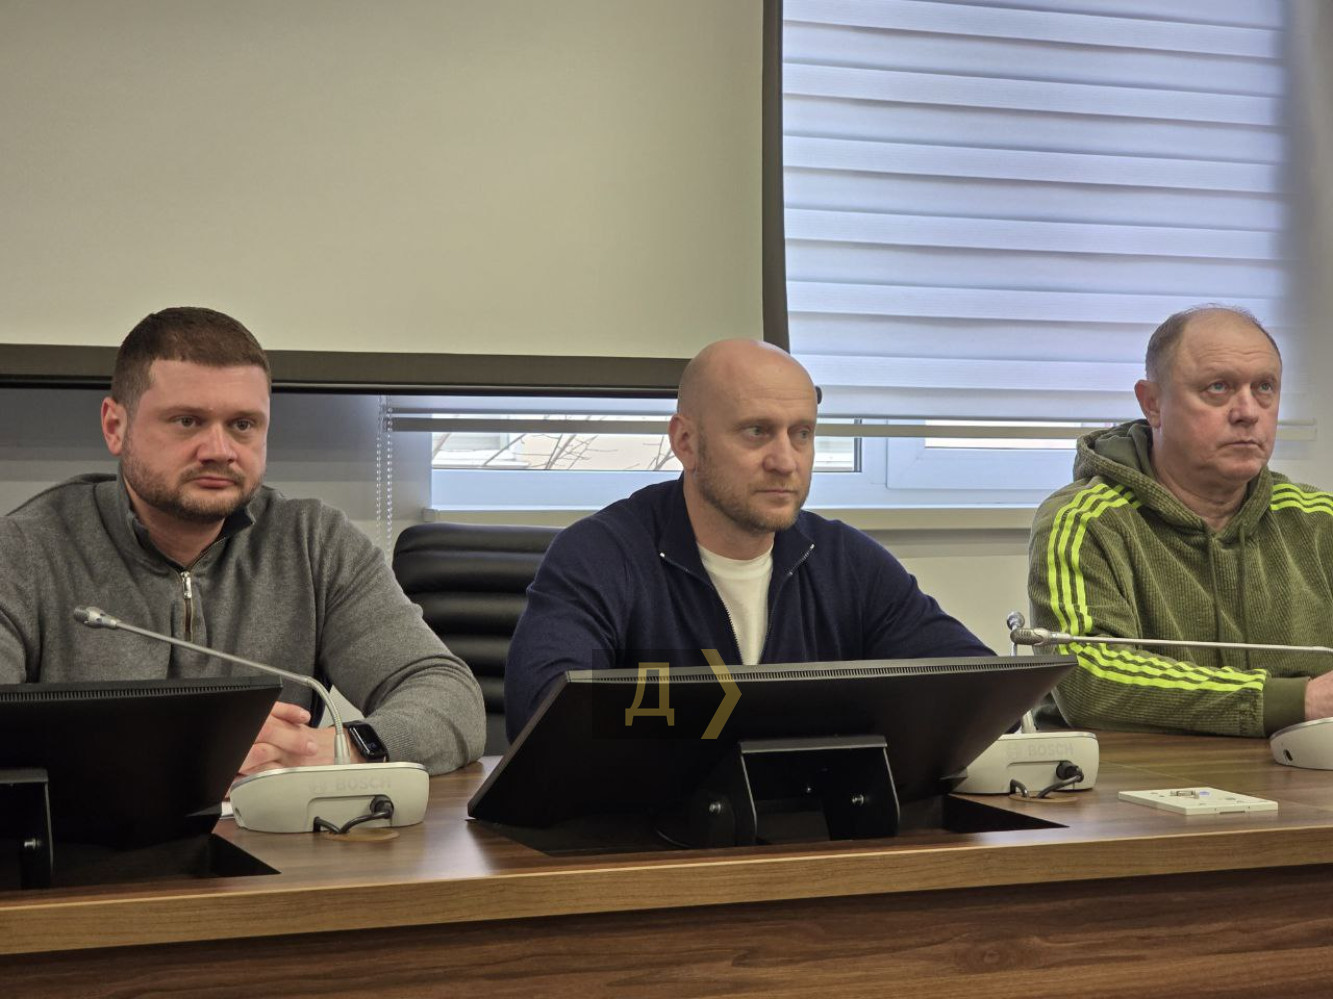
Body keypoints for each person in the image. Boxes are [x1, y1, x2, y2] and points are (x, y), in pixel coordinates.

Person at [0, 307, 485, 775]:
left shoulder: (314, 543)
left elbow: (451, 699)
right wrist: (184, 747)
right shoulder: (23, 550)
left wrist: (345, 748)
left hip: (273, 828)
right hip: (87, 829)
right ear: (115, 426)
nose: (219, 451)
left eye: (242, 425)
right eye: (187, 421)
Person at [504, 338, 991, 738]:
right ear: (686, 443)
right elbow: (544, 718)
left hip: (813, 818)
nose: (785, 461)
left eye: (802, 434)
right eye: (757, 431)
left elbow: (982, 691)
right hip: (652, 825)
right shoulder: (600, 556)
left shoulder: (845, 562)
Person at [1029, 304, 1333, 737]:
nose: (1248, 411)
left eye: (1264, 387)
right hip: (1132, 776)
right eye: (1218, 387)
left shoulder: (1319, 520)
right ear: (1153, 404)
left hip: (1300, 770)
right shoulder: (1084, 521)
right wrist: (1296, 701)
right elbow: (1088, 681)